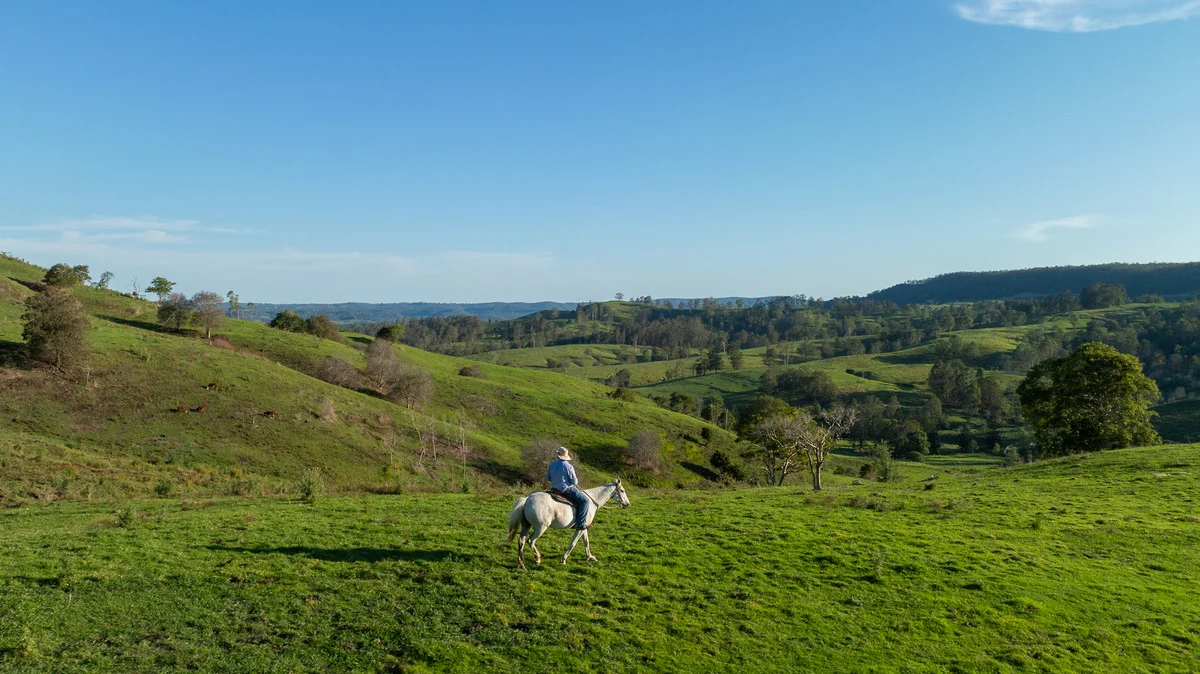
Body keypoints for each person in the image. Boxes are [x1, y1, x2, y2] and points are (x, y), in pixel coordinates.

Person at [546, 446, 589, 529]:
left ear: (558, 455)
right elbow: (574, 482)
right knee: (585, 500)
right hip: (565, 489)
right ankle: (580, 523)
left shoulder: (552, 464)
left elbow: (548, 478)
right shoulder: (569, 466)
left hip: (554, 489)